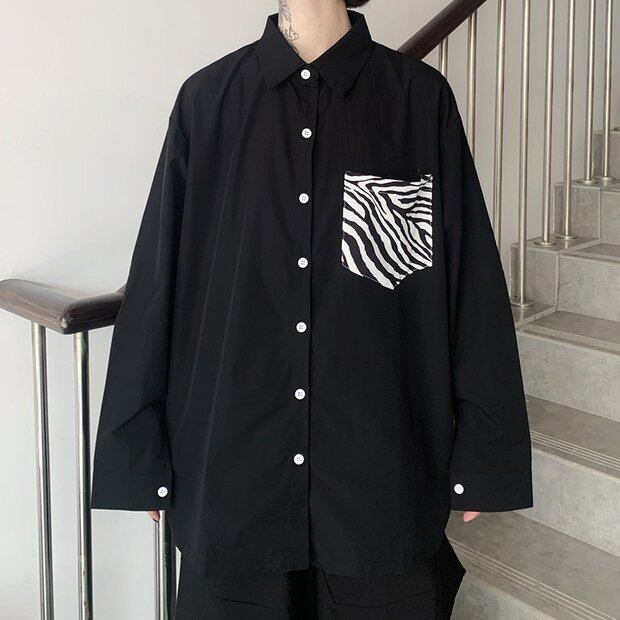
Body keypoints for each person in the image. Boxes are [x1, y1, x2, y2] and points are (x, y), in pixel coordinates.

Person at [90, 0, 534, 617]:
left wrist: (488, 450)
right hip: (235, 470)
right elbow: (157, 281)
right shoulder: (208, 101)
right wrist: (136, 450)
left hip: (379, 474)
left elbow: (470, 282)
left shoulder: (417, 100)